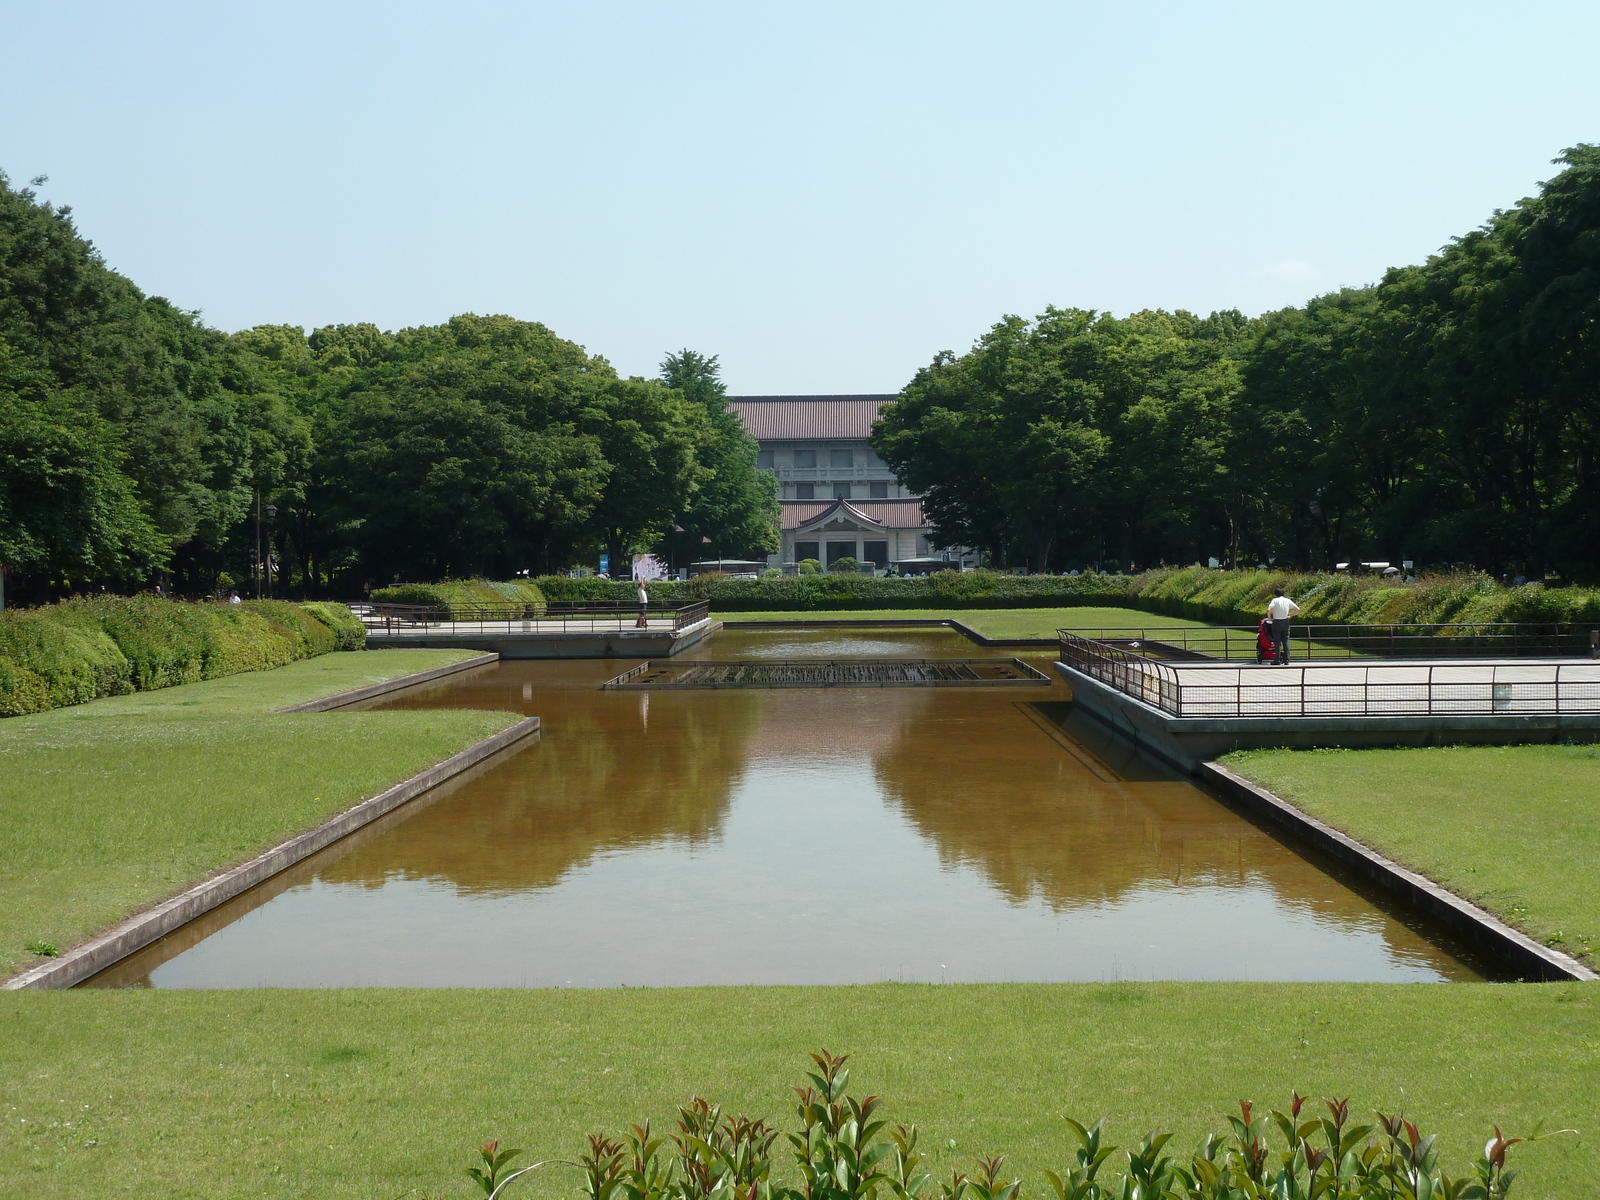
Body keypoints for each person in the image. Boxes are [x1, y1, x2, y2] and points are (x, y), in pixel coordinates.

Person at [1266, 586, 1300, 664]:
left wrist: (1270, 618)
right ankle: (1286, 660)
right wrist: (1290, 616)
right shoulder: (1287, 600)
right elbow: (1297, 609)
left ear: (1275, 594)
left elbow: (1268, 609)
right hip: (1285, 622)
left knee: (1277, 642)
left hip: (1276, 622)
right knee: (1286, 641)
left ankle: (1277, 660)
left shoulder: (1274, 600)